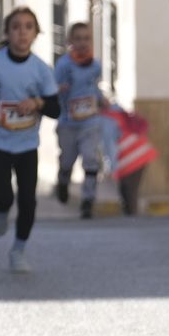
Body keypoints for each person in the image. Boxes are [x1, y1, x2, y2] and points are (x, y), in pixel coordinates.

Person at [0, 7, 60, 273]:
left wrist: (37, 102)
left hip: (27, 144)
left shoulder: (41, 69)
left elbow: (55, 108)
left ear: (36, 34)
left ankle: (18, 250)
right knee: (4, 196)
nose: (22, 32)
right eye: (16, 27)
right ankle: (0, 210)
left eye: (28, 27)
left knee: (28, 200)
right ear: (7, 33)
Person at [52, 22, 107, 218]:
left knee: (91, 158)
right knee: (68, 159)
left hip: (90, 122)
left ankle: (88, 200)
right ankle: (63, 179)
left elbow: (92, 87)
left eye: (86, 39)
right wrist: (59, 90)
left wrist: (101, 99)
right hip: (68, 123)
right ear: (70, 41)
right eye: (78, 39)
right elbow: (52, 90)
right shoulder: (63, 65)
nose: (83, 43)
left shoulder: (95, 65)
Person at [100, 102, 158, 216]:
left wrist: (112, 168)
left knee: (128, 192)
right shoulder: (115, 111)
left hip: (130, 158)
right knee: (129, 190)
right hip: (141, 152)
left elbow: (110, 146)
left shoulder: (104, 121)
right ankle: (131, 216)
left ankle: (131, 218)